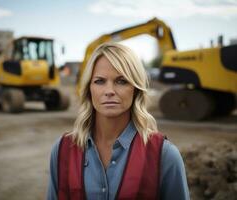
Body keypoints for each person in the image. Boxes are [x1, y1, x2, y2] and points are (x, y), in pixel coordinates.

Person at [47, 42, 190, 200]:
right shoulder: (62, 150)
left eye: (121, 81)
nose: (109, 91)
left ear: (135, 89)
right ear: (89, 89)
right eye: (100, 81)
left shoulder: (165, 155)